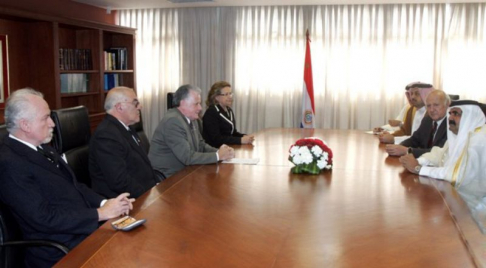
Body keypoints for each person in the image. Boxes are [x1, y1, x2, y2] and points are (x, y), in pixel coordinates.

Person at [0, 88, 134, 267]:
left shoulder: (43, 147)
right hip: (60, 249)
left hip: (83, 232)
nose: (52, 124)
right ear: (25, 125)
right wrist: (99, 214)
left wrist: (107, 203)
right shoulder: (9, 163)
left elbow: (75, 186)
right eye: (45, 118)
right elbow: (43, 218)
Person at [89, 87, 161, 199]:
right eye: (135, 103)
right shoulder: (106, 135)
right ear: (119, 107)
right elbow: (119, 181)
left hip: (144, 192)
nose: (140, 107)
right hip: (125, 201)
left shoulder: (126, 128)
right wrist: (149, 196)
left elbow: (145, 166)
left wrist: (158, 186)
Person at [149, 84, 235, 177]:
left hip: (187, 172)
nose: (200, 108)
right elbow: (187, 157)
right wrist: (218, 156)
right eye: (196, 104)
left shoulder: (192, 118)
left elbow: (201, 146)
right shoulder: (173, 121)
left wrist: (221, 152)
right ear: (183, 103)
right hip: (169, 178)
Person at [399, 100, 486, 182]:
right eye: (450, 113)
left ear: (470, 116)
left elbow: (457, 175)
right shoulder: (460, 135)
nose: (450, 118)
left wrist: (418, 168)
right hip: (451, 191)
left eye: (456, 113)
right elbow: (439, 154)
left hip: (469, 197)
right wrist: (418, 161)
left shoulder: (479, 141)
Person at [385, 90, 450, 157]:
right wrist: (399, 146)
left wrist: (407, 150)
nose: (431, 110)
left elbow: (438, 152)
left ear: (447, 104)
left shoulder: (451, 125)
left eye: (436, 105)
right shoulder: (427, 120)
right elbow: (414, 139)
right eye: (428, 106)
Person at [202, 81, 254, 147]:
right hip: (215, 151)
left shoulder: (229, 110)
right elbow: (217, 139)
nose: (230, 97)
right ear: (216, 97)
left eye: (230, 94)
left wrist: (244, 136)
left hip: (227, 148)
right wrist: (240, 140)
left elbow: (232, 133)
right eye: (226, 94)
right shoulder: (211, 113)